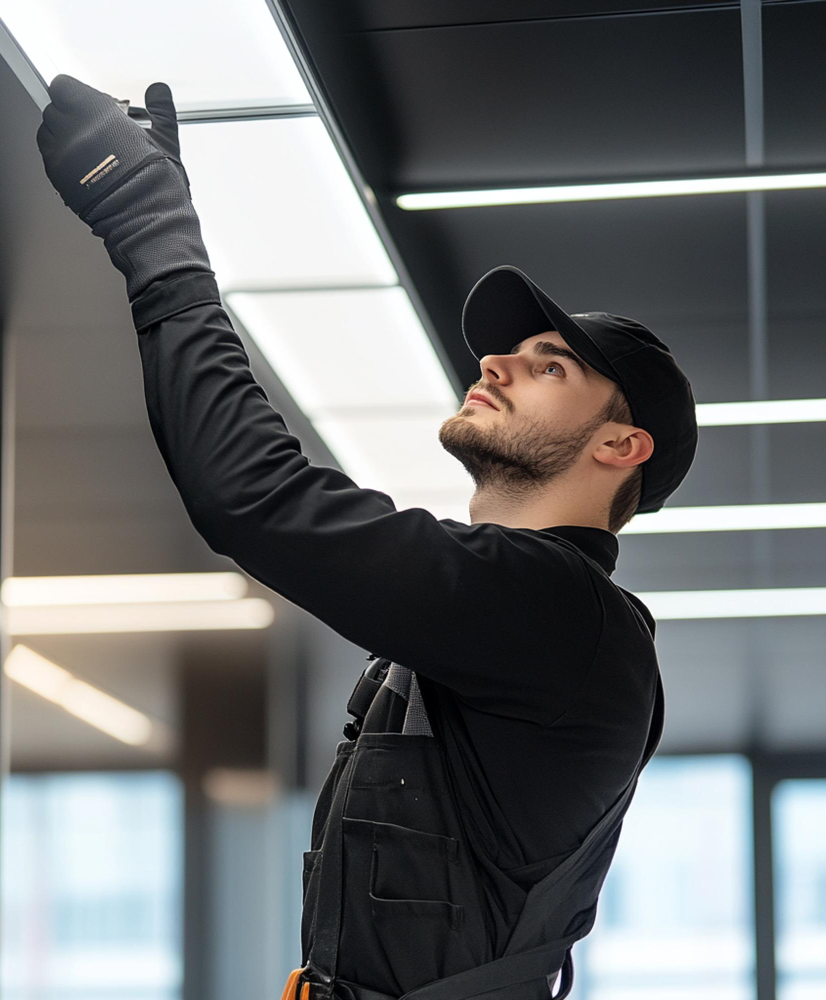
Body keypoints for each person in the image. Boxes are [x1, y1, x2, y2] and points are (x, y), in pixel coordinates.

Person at [36, 75, 698, 1000]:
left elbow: (254, 495)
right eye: (509, 353)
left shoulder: (558, 613)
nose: (496, 362)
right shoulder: (501, 617)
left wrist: (153, 228)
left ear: (620, 446)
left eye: (549, 367)